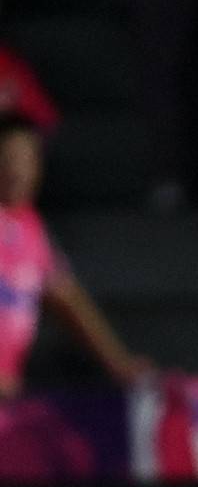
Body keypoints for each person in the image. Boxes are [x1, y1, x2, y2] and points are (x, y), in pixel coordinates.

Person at [0, 117, 154, 400]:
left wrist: (118, 363)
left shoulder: (32, 229)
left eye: (27, 159)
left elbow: (67, 297)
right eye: (9, 158)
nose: (18, 170)